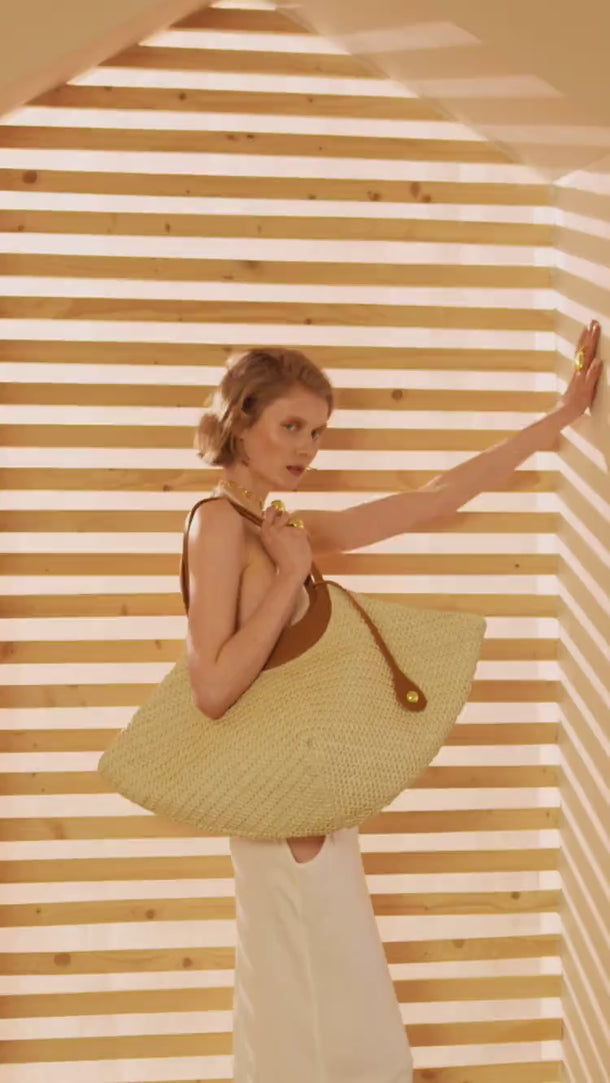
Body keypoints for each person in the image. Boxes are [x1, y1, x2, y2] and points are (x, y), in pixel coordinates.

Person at [184, 331, 603, 1082]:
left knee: (329, 1018)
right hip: (282, 809)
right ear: (240, 419)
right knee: (322, 1026)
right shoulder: (218, 522)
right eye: (291, 425)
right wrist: (291, 575)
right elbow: (211, 688)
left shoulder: (272, 527)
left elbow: (431, 501)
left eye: (319, 431)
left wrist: (564, 413)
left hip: (309, 801)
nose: (308, 446)